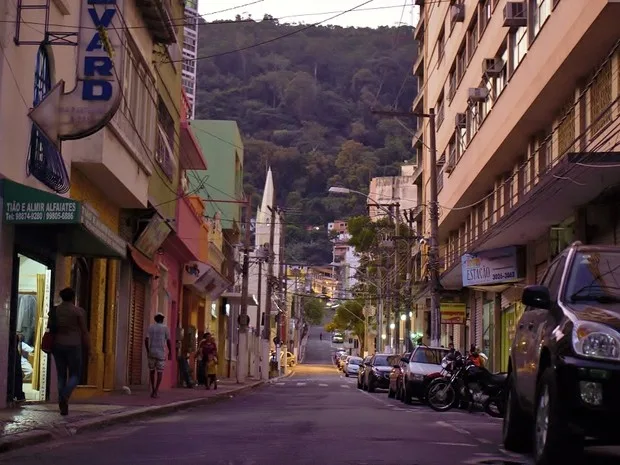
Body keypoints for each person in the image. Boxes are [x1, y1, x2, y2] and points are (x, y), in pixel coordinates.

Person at [49, 287, 90, 416]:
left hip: (58, 345)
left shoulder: (55, 310)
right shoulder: (78, 312)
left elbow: (50, 327)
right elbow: (84, 331)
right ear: (73, 297)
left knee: (61, 375)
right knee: (75, 375)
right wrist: (89, 347)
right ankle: (65, 396)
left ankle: (62, 400)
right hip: (74, 345)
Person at [145, 313, 171, 398]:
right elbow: (168, 341)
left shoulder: (151, 327)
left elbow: (146, 339)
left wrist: (148, 350)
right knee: (160, 372)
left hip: (152, 352)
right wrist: (170, 351)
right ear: (162, 319)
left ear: (155, 319)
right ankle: (156, 390)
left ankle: (152, 389)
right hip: (161, 353)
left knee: (152, 371)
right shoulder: (165, 328)